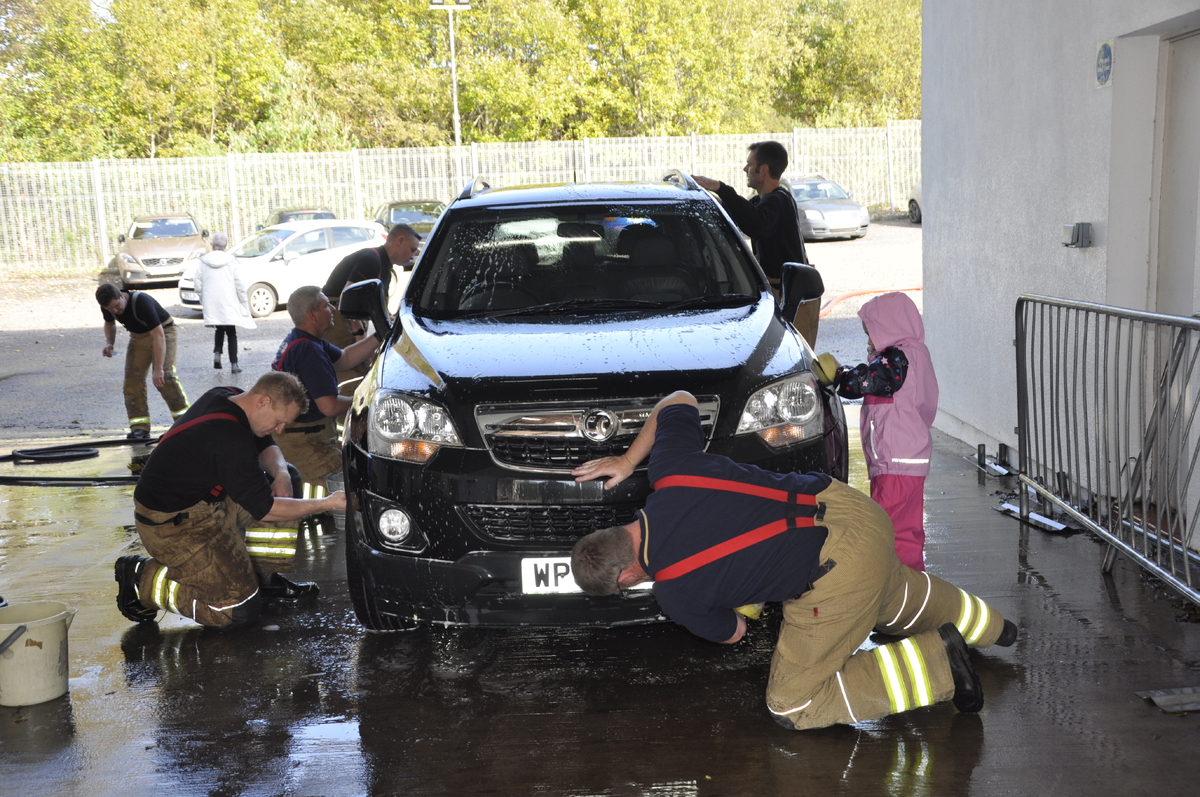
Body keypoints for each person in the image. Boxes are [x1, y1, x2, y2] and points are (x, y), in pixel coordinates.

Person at [570, 390, 1016, 731]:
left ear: (626, 575)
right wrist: (629, 461)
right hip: (852, 509)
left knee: (793, 706)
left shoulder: (674, 590)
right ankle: (996, 628)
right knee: (892, 594)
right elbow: (678, 400)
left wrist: (739, 597)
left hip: (835, 568)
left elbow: (736, 632)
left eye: (625, 587)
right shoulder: (672, 470)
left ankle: (942, 662)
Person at [113, 371, 346, 628]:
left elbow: (265, 442)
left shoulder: (230, 396)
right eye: (279, 421)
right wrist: (328, 503)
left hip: (208, 503)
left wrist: (280, 473)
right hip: (173, 526)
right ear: (263, 401)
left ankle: (264, 581)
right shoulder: (227, 438)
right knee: (238, 612)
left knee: (288, 475)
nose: (280, 430)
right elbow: (265, 509)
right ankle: (141, 578)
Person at [827, 292, 939, 571]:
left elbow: (859, 384)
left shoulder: (896, 361)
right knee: (907, 526)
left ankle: (895, 583)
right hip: (907, 458)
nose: (869, 341)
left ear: (890, 326)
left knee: (885, 526)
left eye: (871, 333)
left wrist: (837, 374)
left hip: (895, 461)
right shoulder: (915, 356)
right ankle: (913, 581)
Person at [692, 142, 818, 347]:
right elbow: (740, 215)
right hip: (779, 293)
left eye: (750, 164)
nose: (745, 169)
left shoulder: (778, 201)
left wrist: (722, 189)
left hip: (789, 297)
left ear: (764, 169)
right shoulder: (763, 202)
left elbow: (757, 224)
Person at [271, 286, 380, 495]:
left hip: (301, 437)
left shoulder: (304, 340)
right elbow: (330, 407)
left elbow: (346, 358)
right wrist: (367, 403)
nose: (332, 309)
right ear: (312, 314)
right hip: (304, 443)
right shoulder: (308, 350)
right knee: (352, 489)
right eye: (325, 305)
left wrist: (381, 334)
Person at [322, 223, 420, 392]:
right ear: (400, 241)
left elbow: (382, 311)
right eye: (412, 250)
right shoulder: (371, 259)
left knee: (361, 374)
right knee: (349, 378)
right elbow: (348, 297)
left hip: (351, 324)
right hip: (338, 321)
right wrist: (360, 337)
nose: (412, 257)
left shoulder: (386, 270)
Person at [96, 282, 189, 440]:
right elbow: (109, 323)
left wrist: (158, 369)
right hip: (138, 337)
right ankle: (140, 428)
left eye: (117, 306)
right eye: (110, 309)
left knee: (165, 378)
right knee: (132, 381)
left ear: (120, 295)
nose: (115, 311)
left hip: (163, 333)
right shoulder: (108, 307)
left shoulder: (141, 302)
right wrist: (109, 343)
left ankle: (186, 424)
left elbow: (158, 336)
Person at [194, 232, 255, 374]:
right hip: (229, 301)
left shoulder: (203, 261)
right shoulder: (232, 261)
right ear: (226, 245)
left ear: (212, 245)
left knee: (219, 328)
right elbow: (239, 284)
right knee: (231, 332)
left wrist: (203, 299)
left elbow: (197, 283)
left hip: (212, 301)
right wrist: (243, 301)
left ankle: (217, 354)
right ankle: (234, 364)